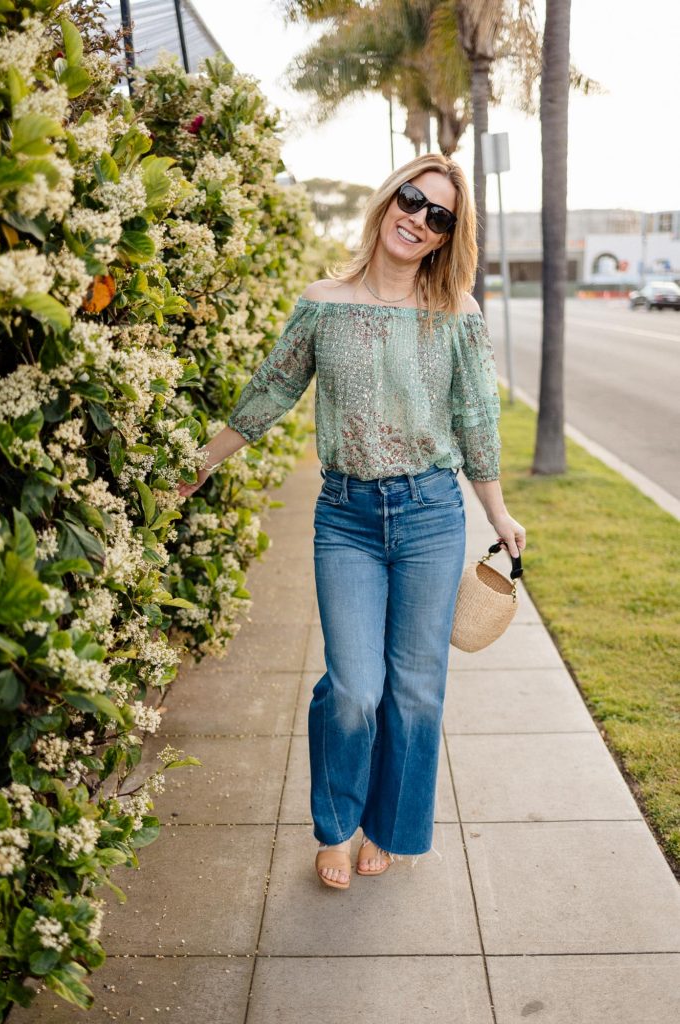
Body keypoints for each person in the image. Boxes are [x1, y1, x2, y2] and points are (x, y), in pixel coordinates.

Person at [177, 153, 526, 892]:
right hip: (347, 518)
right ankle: (335, 824)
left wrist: (497, 511)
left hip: (432, 514)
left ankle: (385, 828)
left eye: (440, 217)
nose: (419, 219)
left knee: (415, 689)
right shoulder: (324, 301)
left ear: (445, 238)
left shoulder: (456, 313)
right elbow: (271, 389)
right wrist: (202, 461)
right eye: (412, 199)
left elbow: (476, 421)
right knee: (355, 687)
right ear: (388, 200)